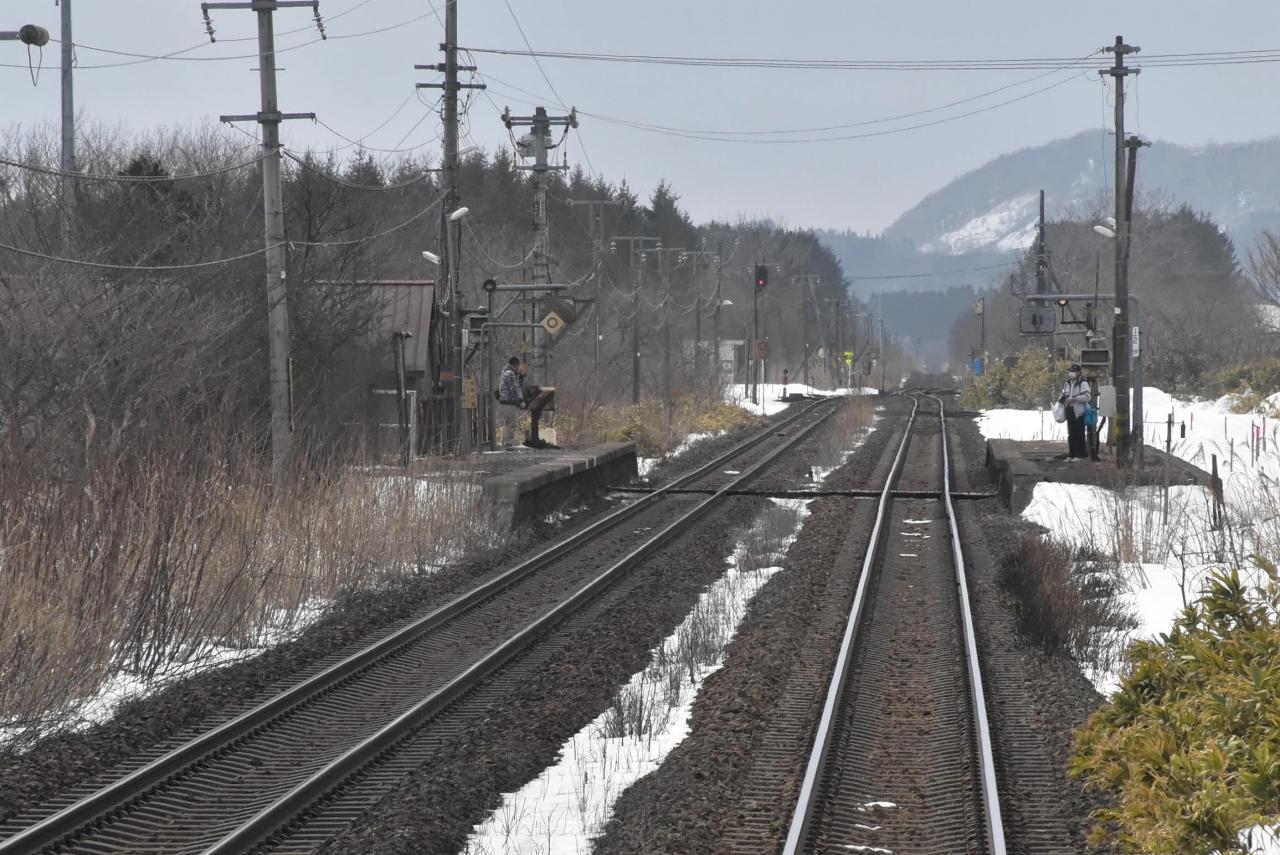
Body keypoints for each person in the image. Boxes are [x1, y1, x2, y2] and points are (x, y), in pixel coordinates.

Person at [1059, 363, 1092, 461]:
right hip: (1069, 410)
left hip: (1079, 412)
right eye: (1070, 371)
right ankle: (1071, 454)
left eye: (1073, 371)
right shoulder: (1067, 383)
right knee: (1071, 434)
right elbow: (1064, 394)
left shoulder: (1083, 383)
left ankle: (1080, 455)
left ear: (1078, 372)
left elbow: (1087, 397)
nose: (1071, 373)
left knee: (1079, 433)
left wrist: (1075, 399)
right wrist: (1063, 400)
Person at [496, 356, 526, 448]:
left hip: (507, 401)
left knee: (508, 424)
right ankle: (508, 444)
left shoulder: (508, 372)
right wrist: (520, 401)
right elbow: (514, 389)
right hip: (510, 402)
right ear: (516, 364)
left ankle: (506, 443)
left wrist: (520, 377)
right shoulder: (510, 373)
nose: (519, 367)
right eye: (519, 365)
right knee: (511, 424)